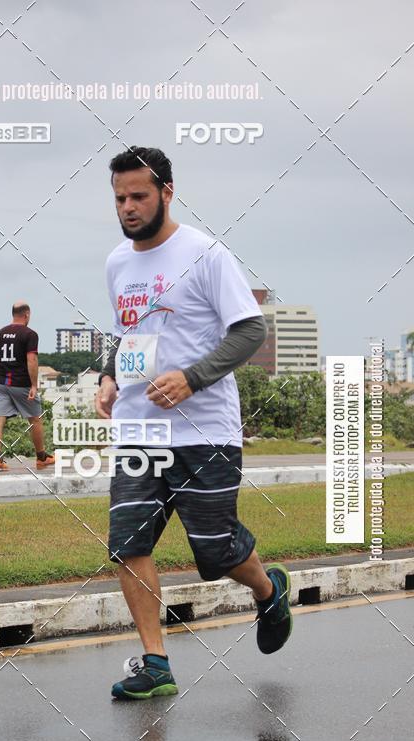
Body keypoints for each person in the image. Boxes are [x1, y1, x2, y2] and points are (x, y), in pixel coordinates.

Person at [95, 146, 293, 701]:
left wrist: (192, 378)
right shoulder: (117, 263)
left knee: (216, 551)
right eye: (119, 198)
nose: (128, 207)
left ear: (166, 192)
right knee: (128, 542)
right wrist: (110, 376)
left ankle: (266, 587)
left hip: (205, 430)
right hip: (140, 429)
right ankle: (156, 663)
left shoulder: (205, 254)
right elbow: (126, 333)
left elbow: (250, 331)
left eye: (138, 196)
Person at [0, 302, 55, 472]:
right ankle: (41, 458)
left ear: (13, 314)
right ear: (27, 315)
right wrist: (34, 385)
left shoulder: (0, 333)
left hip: (1, 384)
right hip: (21, 384)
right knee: (35, 419)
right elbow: (31, 360)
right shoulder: (30, 334)